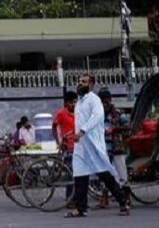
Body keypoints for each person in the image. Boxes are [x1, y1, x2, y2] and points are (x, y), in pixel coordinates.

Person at [67, 74, 130, 218]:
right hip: (81, 146)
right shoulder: (79, 103)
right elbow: (80, 122)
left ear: (91, 85)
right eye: (79, 81)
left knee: (104, 175)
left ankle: (123, 202)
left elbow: (96, 117)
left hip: (93, 144)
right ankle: (80, 208)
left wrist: (82, 131)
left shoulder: (94, 100)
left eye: (83, 81)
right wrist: (74, 133)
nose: (80, 83)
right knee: (79, 175)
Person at [97, 89, 129, 209]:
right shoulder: (97, 114)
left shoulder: (118, 113)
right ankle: (104, 199)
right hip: (103, 148)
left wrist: (115, 129)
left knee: (122, 174)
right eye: (102, 102)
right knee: (105, 175)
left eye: (106, 101)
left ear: (110, 100)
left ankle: (126, 199)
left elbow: (127, 127)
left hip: (117, 148)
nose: (104, 104)